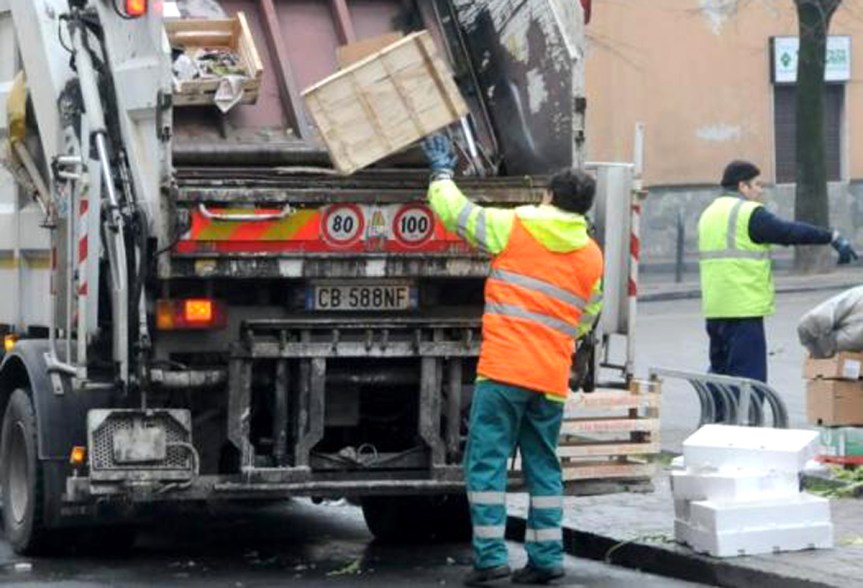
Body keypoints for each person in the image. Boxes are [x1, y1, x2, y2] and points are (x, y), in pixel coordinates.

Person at [421, 134, 604, 586]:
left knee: (486, 464)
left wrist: (441, 173)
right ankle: (546, 558)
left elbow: (457, 214)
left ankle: (490, 558)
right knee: (543, 466)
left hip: (504, 370)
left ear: (549, 196)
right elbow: (587, 315)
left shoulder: (515, 226)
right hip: (550, 376)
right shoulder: (591, 255)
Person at [698, 160, 858, 387]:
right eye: (756, 184)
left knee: (720, 374)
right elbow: (788, 231)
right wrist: (831, 237)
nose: (760, 190)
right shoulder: (747, 213)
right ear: (742, 186)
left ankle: (718, 410)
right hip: (743, 309)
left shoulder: (709, 214)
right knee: (749, 380)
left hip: (715, 309)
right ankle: (748, 412)